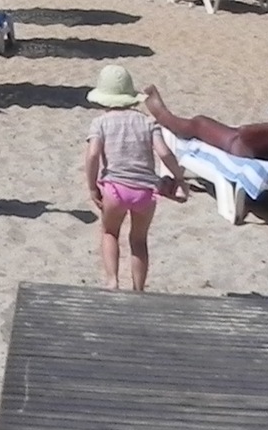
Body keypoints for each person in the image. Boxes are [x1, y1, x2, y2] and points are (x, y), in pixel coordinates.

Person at [80, 67, 188, 292]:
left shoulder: (100, 123)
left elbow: (92, 155)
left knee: (110, 232)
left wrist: (92, 187)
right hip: (145, 192)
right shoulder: (147, 122)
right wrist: (179, 178)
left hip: (115, 189)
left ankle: (112, 281)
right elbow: (164, 153)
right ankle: (138, 289)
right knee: (139, 241)